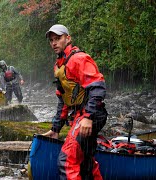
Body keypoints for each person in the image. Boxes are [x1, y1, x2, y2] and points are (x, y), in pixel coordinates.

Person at [42, 24, 108, 180]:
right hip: (81, 115)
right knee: (86, 164)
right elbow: (63, 99)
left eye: (58, 39)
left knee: (67, 161)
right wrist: (56, 128)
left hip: (90, 114)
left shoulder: (79, 58)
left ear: (68, 38)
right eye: (51, 40)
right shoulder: (59, 66)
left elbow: (98, 88)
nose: (54, 43)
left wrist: (88, 117)